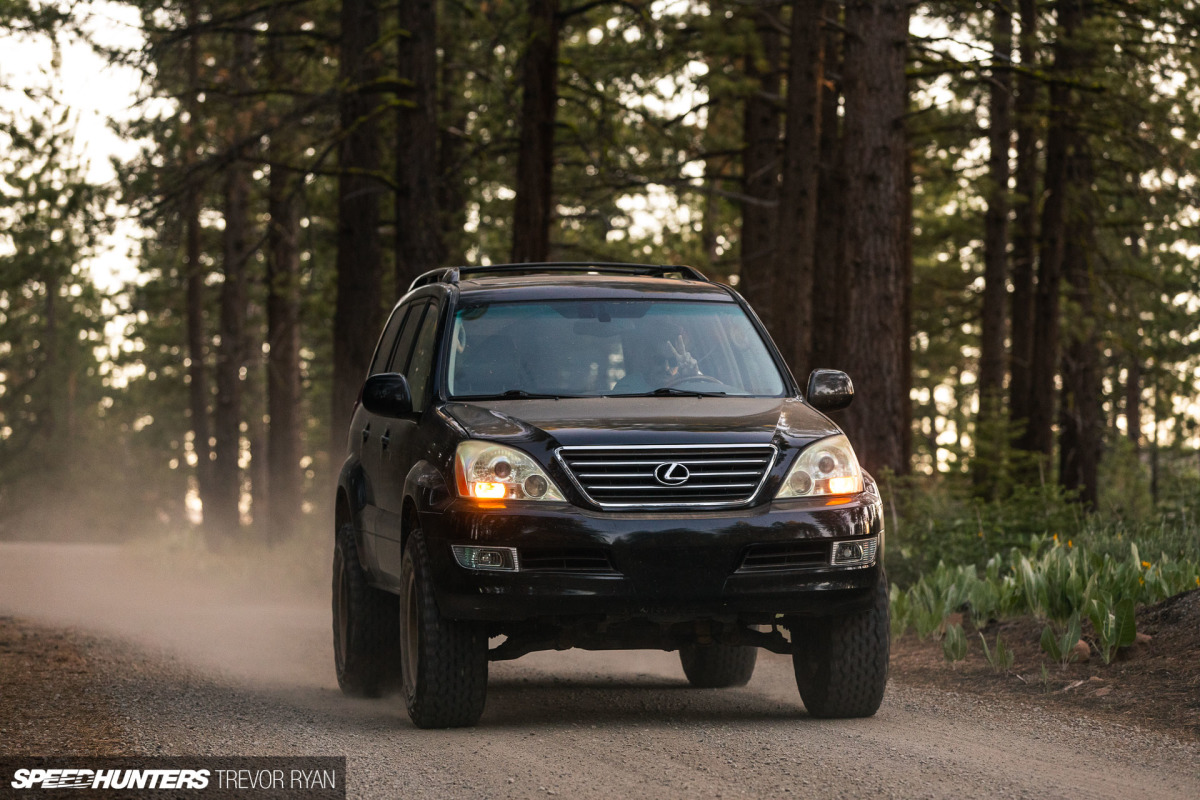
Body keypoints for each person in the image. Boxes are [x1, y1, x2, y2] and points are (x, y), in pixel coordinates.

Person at [611, 325, 701, 393]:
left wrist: (692, 378)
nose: (666, 368)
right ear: (648, 358)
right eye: (659, 360)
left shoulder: (691, 388)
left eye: (673, 362)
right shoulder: (628, 387)